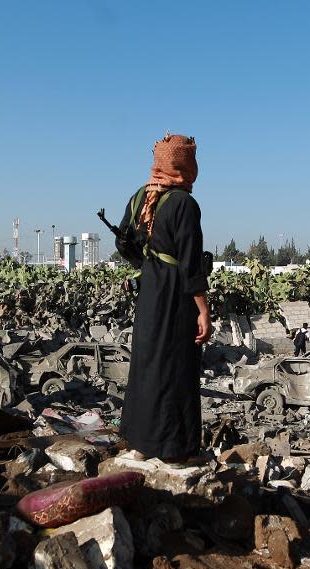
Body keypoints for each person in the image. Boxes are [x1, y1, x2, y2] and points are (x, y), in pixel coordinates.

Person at [115, 133, 211, 462]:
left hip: (150, 290)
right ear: (185, 164)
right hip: (174, 295)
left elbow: (125, 245)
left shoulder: (139, 197)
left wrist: (149, 265)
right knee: (177, 369)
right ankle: (175, 451)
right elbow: (190, 263)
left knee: (147, 365)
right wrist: (203, 311)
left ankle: (142, 446)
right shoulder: (184, 204)